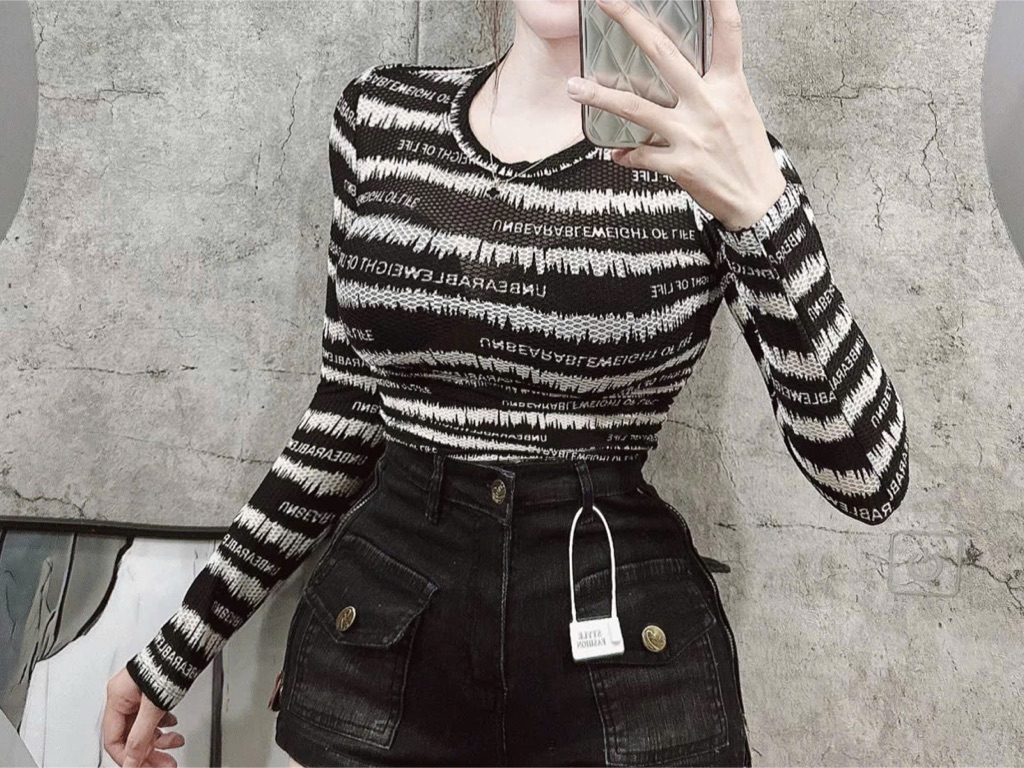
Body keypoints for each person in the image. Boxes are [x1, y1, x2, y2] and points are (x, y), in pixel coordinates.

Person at [102, 0, 911, 765]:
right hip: (381, 651)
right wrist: (182, 644)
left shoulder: (714, 158)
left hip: (624, 669)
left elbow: (868, 478)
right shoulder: (382, 120)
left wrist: (762, 207)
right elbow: (345, 414)